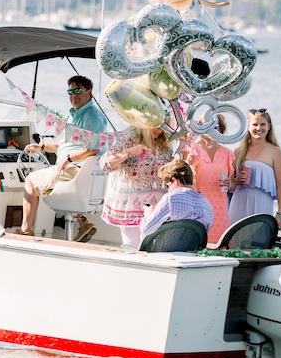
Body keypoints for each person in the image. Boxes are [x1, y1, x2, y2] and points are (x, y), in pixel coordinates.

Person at [19, 75, 108, 241]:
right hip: (77, 171)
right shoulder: (75, 115)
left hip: (76, 170)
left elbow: (94, 148)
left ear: (88, 92)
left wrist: (68, 158)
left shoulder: (92, 117)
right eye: (70, 91)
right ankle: (83, 223)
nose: (73, 95)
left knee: (30, 180)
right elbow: (65, 144)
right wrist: (42, 147)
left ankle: (26, 230)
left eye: (77, 90)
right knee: (52, 181)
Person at [99, 125, 173, 250]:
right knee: (132, 247)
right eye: (157, 125)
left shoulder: (164, 141)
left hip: (156, 205)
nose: (159, 130)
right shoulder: (129, 136)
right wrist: (129, 152)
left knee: (153, 248)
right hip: (131, 204)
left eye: (164, 126)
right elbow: (105, 164)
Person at [227, 108, 281, 230]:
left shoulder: (275, 152)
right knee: (234, 243)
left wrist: (280, 213)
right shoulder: (238, 152)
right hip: (239, 204)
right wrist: (237, 180)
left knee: (259, 242)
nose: (259, 128)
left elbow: (280, 185)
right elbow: (230, 187)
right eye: (254, 124)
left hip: (262, 206)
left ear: (269, 126)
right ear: (248, 127)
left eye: (262, 124)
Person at [185, 115, 236, 245]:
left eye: (215, 126)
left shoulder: (227, 153)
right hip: (198, 205)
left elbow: (231, 186)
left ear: (220, 129)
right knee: (198, 244)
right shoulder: (191, 149)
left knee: (221, 243)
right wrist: (188, 164)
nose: (210, 129)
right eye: (205, 125)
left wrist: (230, 183)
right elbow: (183, 181)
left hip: (220, 207)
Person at [139, 159, 214, 239]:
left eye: (168, 185)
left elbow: (146, 229)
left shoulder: (170, 199)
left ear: (175, 181)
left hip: (166, 250)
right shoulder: (207, 204)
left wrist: (149, 213)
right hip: (193, 250)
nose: (168, 190)